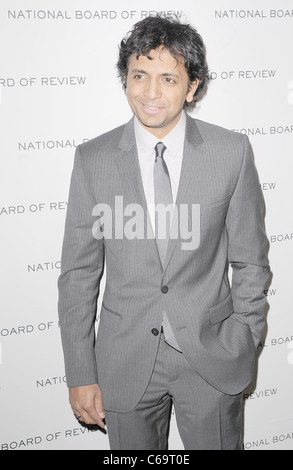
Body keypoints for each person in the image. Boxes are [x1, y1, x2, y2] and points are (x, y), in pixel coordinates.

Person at [58, 14, 270, 450]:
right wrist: (81, 372)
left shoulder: (230, 152)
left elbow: (250, 260)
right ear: (126, 79)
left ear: (192, 87)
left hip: (212, 358)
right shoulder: (92, 159)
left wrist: (244, 339)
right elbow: (78, 274)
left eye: (168, 78)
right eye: (140, 75)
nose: (151, 93)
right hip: (124, 361)